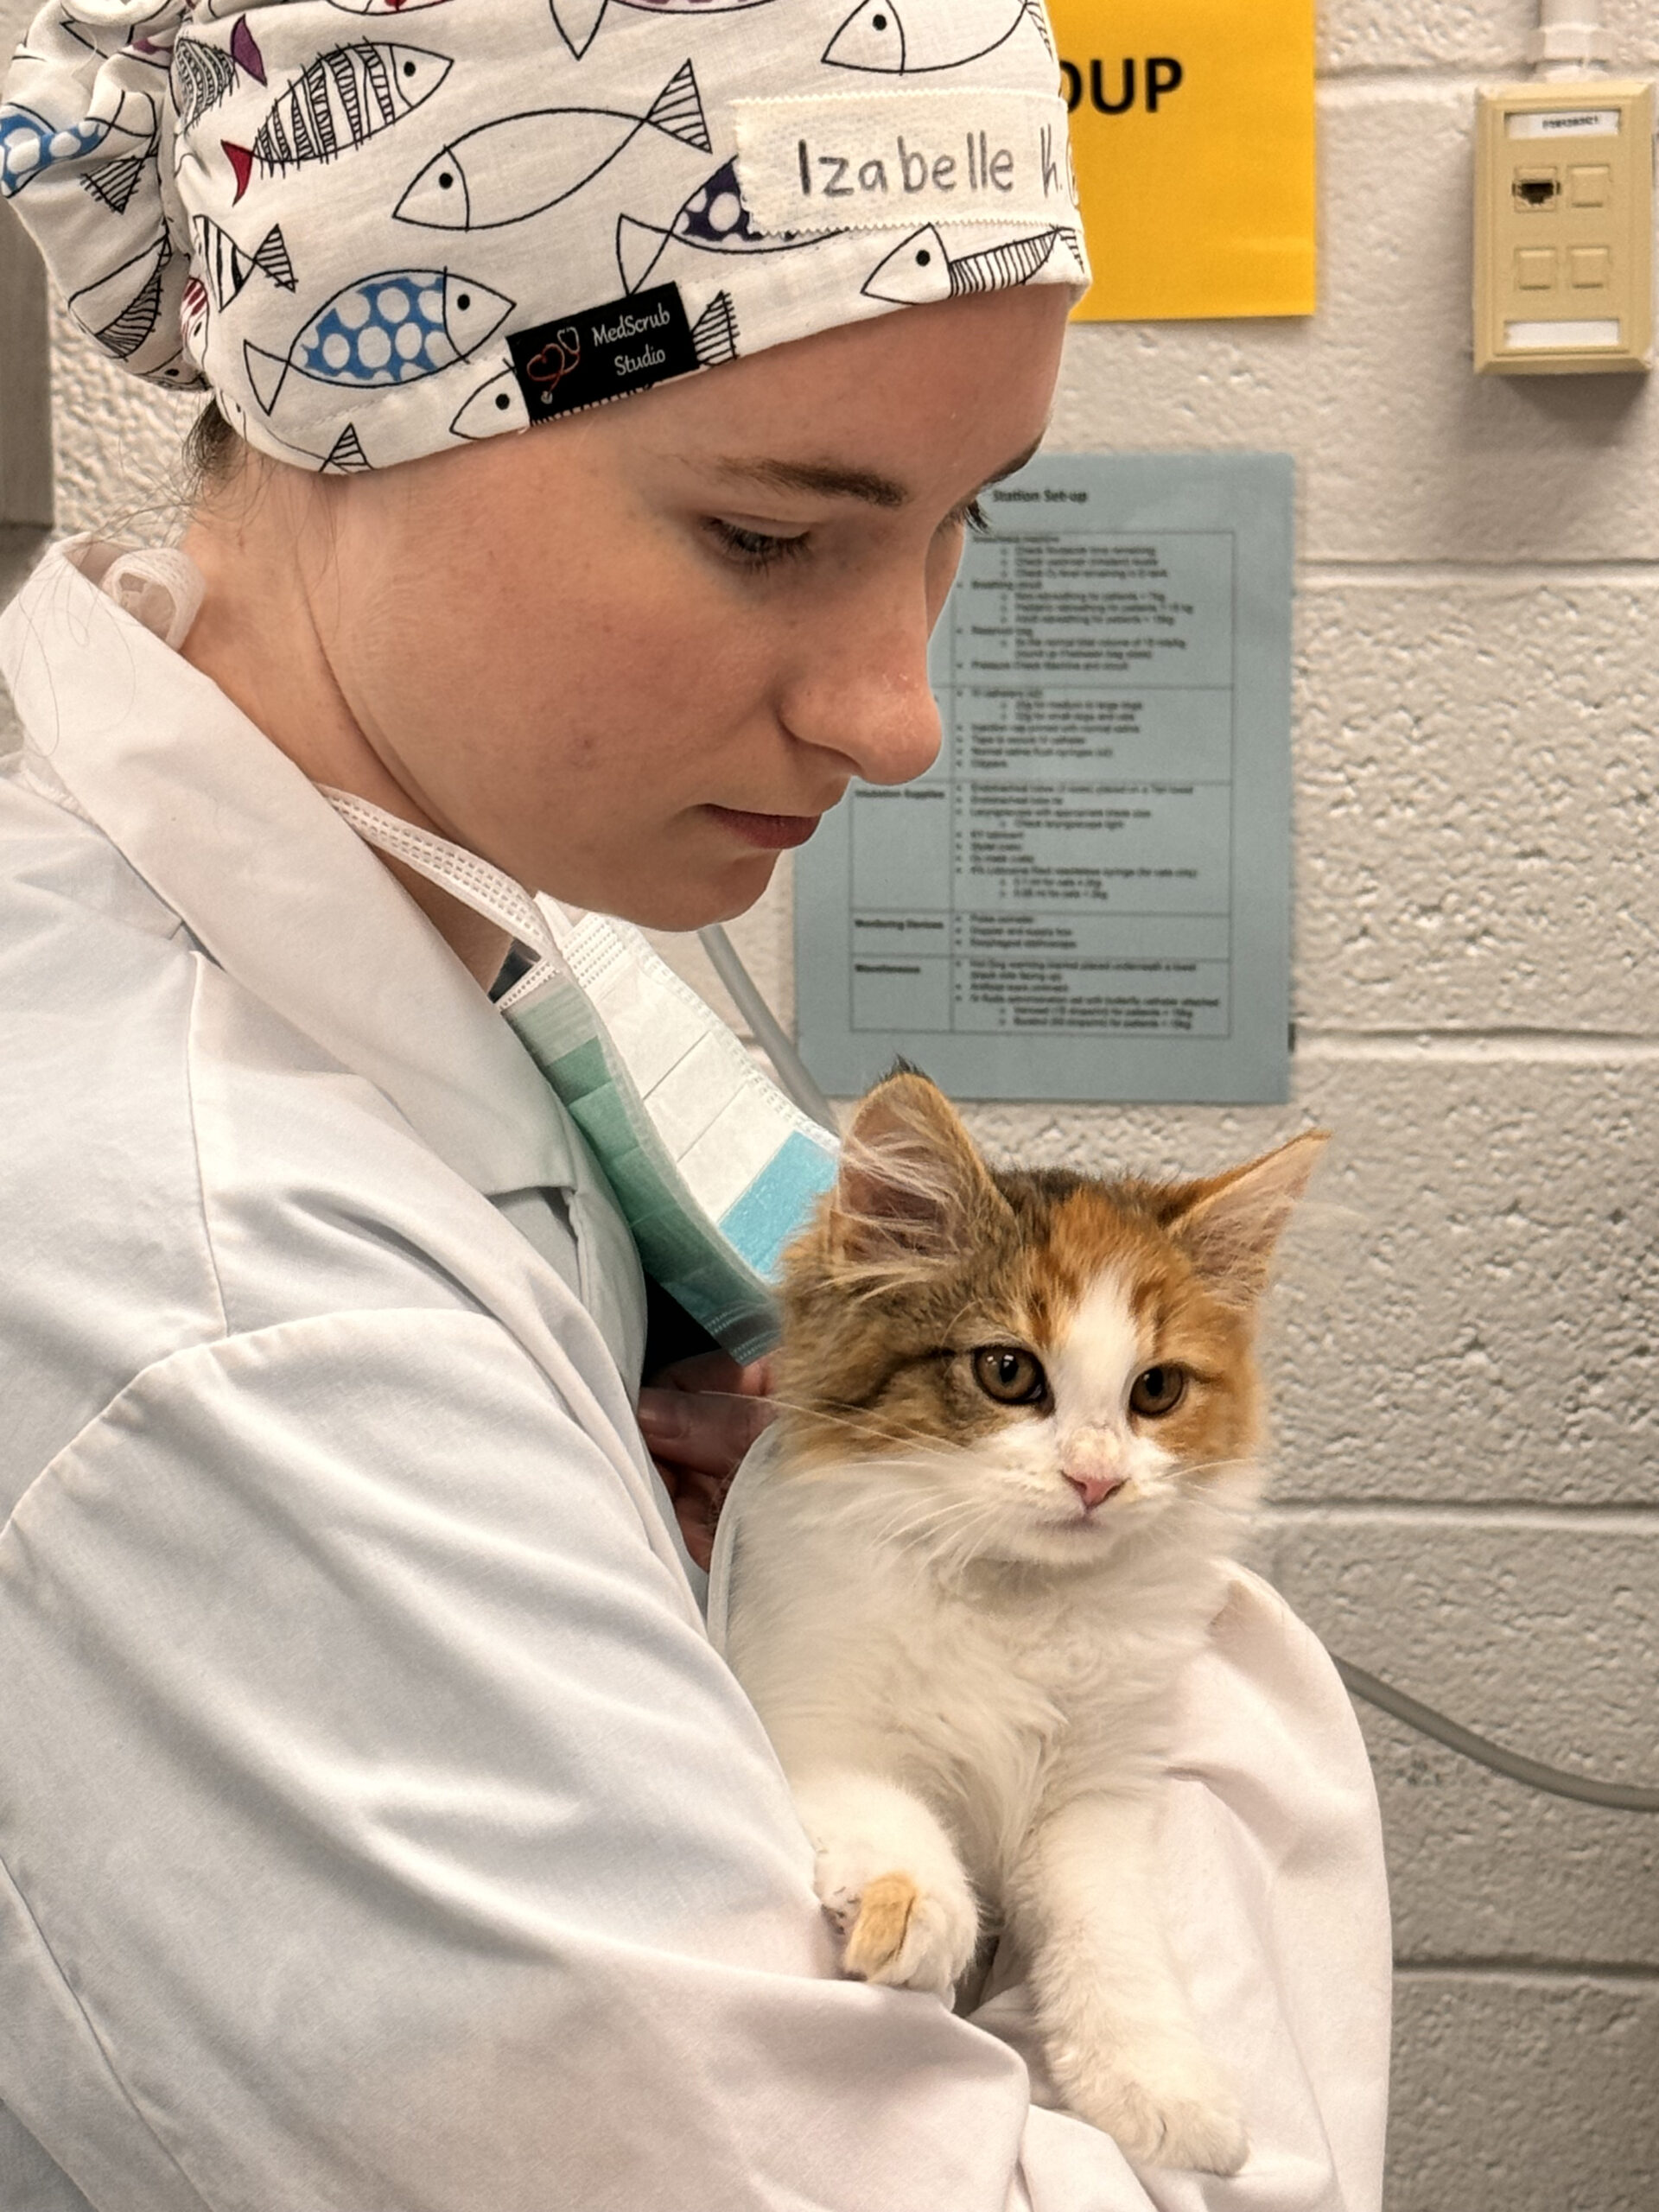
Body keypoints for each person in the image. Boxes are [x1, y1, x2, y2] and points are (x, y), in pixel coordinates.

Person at [0, 1, 1391, 2205]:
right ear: (340, 403)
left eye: (959, 527)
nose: (898, 713)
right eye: (767, 533)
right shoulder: (229, 1313)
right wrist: (1188, 1715)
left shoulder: (502, 935)